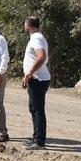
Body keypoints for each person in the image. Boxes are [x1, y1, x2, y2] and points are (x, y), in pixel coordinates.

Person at [21, 16, 51, 150]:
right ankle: (35, 138)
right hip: (35, 78)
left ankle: (39, 141)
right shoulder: (36, 37)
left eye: (25, 24)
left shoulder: (37, 38)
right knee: (33, 109)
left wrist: (29, 73)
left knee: (38, 110)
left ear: (29, 25)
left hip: (38, 79)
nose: (24, 26)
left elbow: (42, 56)